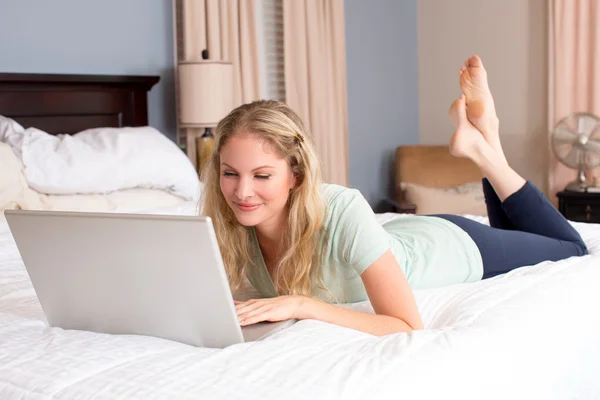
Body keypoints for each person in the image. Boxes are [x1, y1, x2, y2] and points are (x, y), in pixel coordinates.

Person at [200, 55, 588, 336]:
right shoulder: (222, 225)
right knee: (531, 236)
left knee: (571, 248)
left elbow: (405, 325)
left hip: (453, 247)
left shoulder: (341, 208)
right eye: (230, 173)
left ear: (296, 175)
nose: (242, 192)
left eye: (262, 175)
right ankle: (483, 139)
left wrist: (302, 305)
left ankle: (487, 149)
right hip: (401, 233)